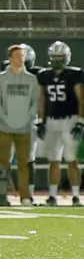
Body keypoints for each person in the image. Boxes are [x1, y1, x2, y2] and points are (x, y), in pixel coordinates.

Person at [0, 44, 40, 205]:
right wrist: (3, 119)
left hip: (25, 127)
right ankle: (1, 195)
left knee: (24, 162)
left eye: (23, 56)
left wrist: (28, 118)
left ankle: (25, 196)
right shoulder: (0, 78)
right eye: (18, 56)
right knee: (3, 162)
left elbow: (35, 102)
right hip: (5, 127)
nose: (21, 59)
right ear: (10, 58)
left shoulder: (31, 79)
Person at [37, 41, 81, 205]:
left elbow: (80, 98)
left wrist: (81, 120)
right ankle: (53, 195)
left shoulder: (74, 74)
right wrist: (41, 120)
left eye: (59, 57)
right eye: (54, 57)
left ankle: (76, 196)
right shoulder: (45, 75)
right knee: (54, 159)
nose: (56, 60)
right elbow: (42, 98)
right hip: (52, 121)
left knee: (71, 159)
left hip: (70, 119)